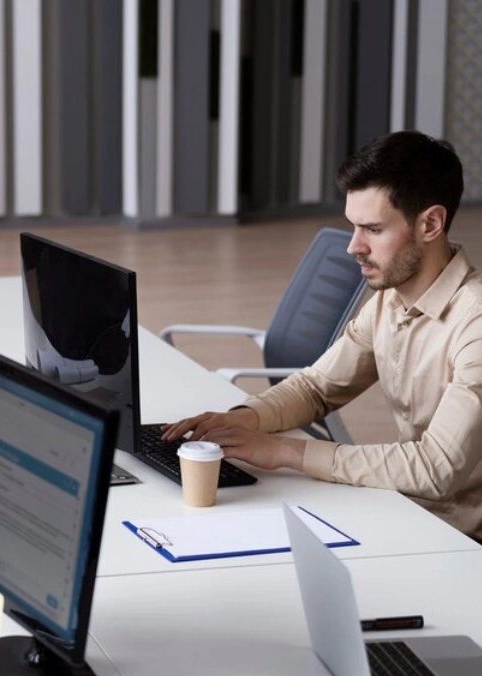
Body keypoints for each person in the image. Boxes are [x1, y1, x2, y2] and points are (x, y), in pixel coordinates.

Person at [164, 130, 482, 542]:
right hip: (407, 510)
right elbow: (319, 387)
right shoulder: (391, 299)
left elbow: (434, 469)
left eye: (372, 229)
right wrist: (240, 420)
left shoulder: (474, 323)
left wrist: (285, 452)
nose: (354, 247)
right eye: (352, 227)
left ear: (431, 224)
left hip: (460, 541)